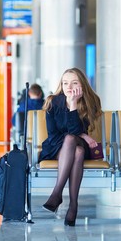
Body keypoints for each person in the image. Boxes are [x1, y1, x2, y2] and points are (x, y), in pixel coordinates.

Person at [39, 67, 102, 226]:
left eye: (74, 83)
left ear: (82, 85)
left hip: (76, 142)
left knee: (72, 140)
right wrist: (83, 135)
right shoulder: (53, 101)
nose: (69, 87)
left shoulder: (90, 101)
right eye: (65, 83)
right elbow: (52, 134)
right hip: (56, 146)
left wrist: (73, 104)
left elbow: (74, 132)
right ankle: (73, 205)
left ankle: (57, 193)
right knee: (77, 150)